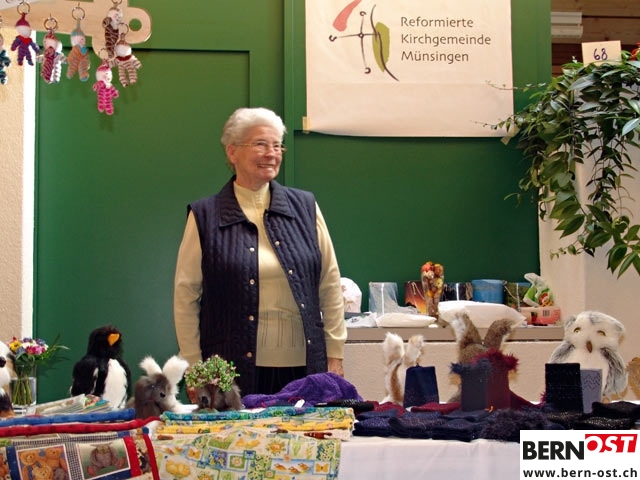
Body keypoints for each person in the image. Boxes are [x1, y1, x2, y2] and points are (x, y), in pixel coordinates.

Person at [173, 107, 347, 396]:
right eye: (261, 144)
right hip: (230, 372)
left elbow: (329, 283)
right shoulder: (205, 215)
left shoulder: (305, 207)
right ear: (232, 152)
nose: (272, 153)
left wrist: (335, 354)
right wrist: (194, 367)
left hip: (306, 368)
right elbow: (186, 296)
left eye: (277, 146)